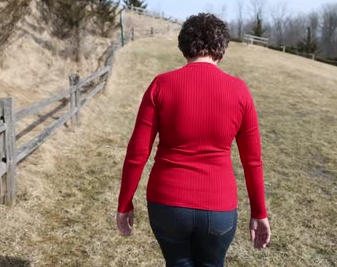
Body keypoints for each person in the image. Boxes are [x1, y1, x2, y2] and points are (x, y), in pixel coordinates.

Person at [116, 13, 271, 266]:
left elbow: (137, 153)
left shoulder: (161, 85)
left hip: (167, 204)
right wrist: (259, 212)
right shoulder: (239, 91)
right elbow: (252, 160)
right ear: (222, 48)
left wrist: (124, 203)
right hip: (219, 208)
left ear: (184, 45)